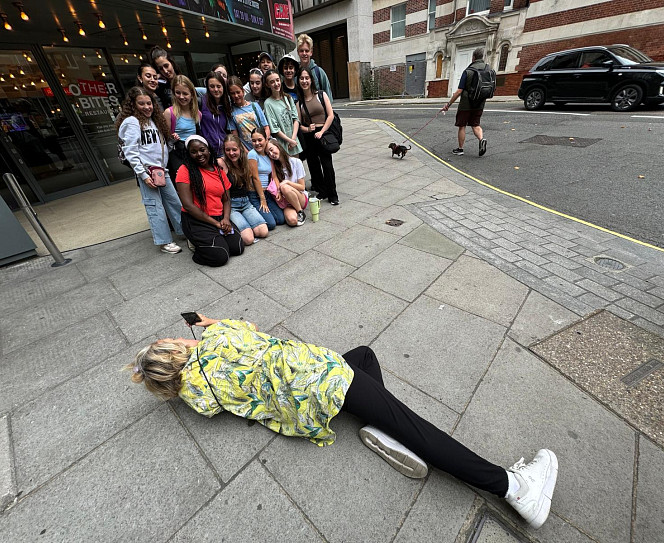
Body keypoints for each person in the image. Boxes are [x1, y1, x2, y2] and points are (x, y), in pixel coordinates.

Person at [129, 315, 559, 531]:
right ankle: (514, 488)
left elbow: (206, 388)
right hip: (323, 380)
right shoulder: (218, 337)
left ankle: (382, 424)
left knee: (365, 355)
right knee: (417, 426)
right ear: (175, 347)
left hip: (298, 411)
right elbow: (250, 329)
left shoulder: (196, 397)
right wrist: (207, 325)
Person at [116, 87, 183, 254]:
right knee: (155, 207)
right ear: (133, 104)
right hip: (148, 171)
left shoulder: (154, 121)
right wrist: (144, 175)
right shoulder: (132, 122)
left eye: (149, 103)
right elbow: (130, 151)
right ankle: (164, 241)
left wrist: (171, 142)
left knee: (174, 203)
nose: (147, 107)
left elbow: (158, 147)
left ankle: (185, 230)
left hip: (161, 170)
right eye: (141, 103)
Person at [175, 135, 244, 266]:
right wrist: (216, 224)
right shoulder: (184, 170)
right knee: (220, 257)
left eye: (202, 150)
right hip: (197, 220)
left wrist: (226, 219)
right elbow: (188, 206)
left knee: (238, 248)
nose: (199, 154)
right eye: (193, 152)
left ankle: (212, 241)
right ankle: (196, 246)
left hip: (219, 217)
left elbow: (226, 199)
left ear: (208, 150)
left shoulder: (218, 170)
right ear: (188, 154)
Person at [297, 67, 339, 205]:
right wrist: (308, 129)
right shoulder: (299, 103)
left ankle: (333, 195)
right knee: (314, 166)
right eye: (302, 78)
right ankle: (323, 191)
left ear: (311, 80)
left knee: (327, 165)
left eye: (306, 78)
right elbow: (298, 124)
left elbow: (330, 115)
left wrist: (321, 131)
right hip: (309, 137)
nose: (304, 81)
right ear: (299, 81)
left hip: (324, 134)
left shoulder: (321, 95)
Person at [222, 134, 268, 245]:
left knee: (263, 232)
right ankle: (243, 229)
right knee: (248, 239)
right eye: (228, 150)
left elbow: (254, 179)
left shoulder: (244, 162)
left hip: (246, 202)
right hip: (232, 206)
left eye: (234, 149)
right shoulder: (222, 163)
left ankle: (246, 227)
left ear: (240, 149)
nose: (231, 153)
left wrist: (263, 199)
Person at [442, 47, 488, 157]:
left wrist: (448, 105)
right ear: (482, 57)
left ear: (473, 57)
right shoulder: (487, 69)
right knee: (475, 124)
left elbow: (458, 91)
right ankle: (481, 139)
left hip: (466, 104)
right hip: (480, 103)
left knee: (462, 126)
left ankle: (460, 149)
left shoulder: (468, 71)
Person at [164, 75, 201, 182]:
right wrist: (172, 137)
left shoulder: (197, 114)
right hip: (178, 155)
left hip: (194, 153)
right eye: (178, 93)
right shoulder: (169, 113)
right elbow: (166, 139)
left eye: (185, 93)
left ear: (192, 94)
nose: (181, 96)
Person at [247, 126, 284, 230]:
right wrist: (262, 200)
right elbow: (255, 178)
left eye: (260, 140)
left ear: (266, 139)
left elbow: (274, 176)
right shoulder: (252, 154)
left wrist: (278, 191)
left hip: (267, 193)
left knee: (281, 219)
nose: (257, 143)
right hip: (256, 194)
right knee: (271, 224)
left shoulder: (268, 154)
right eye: (254, 141)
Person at [265, 138, 308, 226]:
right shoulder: (274, 167)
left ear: (278, 146)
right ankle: (295, 212)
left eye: (271, 150)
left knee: (284, 187)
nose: (271, 154)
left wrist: (287, 182)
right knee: (292, 221)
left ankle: (300, 212)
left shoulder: (296, 162)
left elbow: (302, 187)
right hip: (286, 202)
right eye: (268, 154)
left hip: (300, 197)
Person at [263, 69, 302, 156]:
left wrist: (293, 139)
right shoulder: (268, 103)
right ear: (267, 84)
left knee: (297, 167)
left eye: (277, 80)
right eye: (272, 82)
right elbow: (274, 128)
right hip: (282, 145)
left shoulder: (288, 98)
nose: (276, 84)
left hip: (294, 141)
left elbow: (296, 119)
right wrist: (289, 141)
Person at [227, 76, 270, 152]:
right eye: (233, 93)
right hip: (248, 150)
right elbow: (236, 137)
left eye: (238, 92)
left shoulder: (254, 106)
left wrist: (264, 145)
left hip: (264, 147)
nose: (236, 96)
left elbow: (266, 127)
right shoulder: (231, 111)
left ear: (243, 91)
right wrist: (247, 153)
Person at [199, 71, 231, 158]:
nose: (216, 89)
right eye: (212, 86)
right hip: (208, 153)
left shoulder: (226, 104)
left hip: (225, 152)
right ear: (207, 88)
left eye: (218, 86)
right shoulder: (201, 102)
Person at [296, 34, 333, 102]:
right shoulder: (295, 74)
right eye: (301, 51)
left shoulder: (319, 72)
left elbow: (328, 97)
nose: (304, 53)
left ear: (311, 52)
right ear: (298, 52)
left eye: (307, 51)